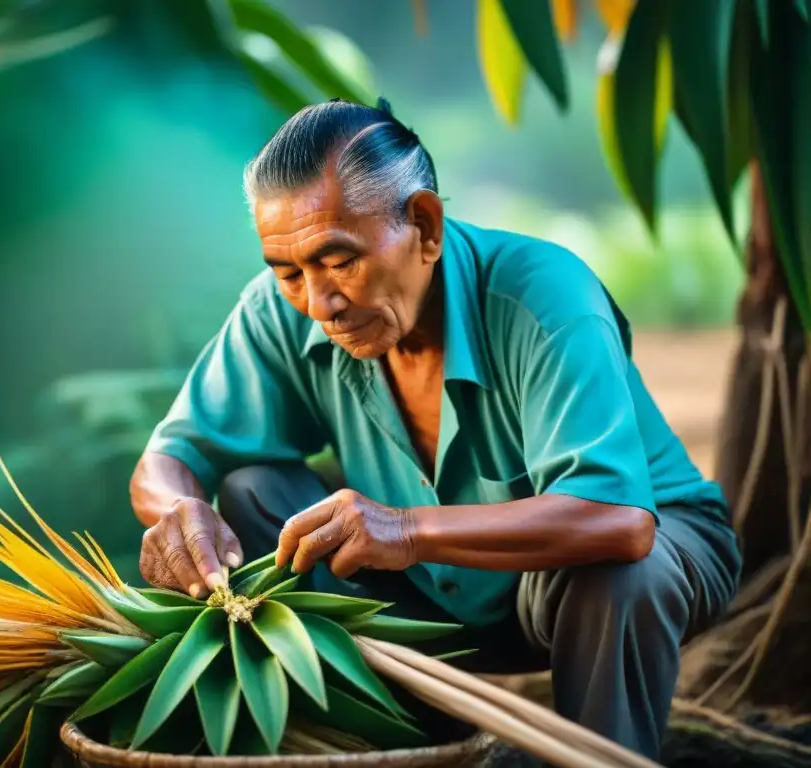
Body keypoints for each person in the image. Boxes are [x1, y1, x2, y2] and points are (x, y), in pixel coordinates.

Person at [128, 98, 742, 760]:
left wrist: (408, 529)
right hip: (431, 597)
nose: (320, 303)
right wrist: (181, 513)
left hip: (597, 572)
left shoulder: (544, 293)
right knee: (252, 491)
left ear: (423, 225)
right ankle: (406, 740)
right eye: (288, 273)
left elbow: (619, 519)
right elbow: (168, 459)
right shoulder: (287, 311)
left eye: (339, 261)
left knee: (624, 571)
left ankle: (605, 751)